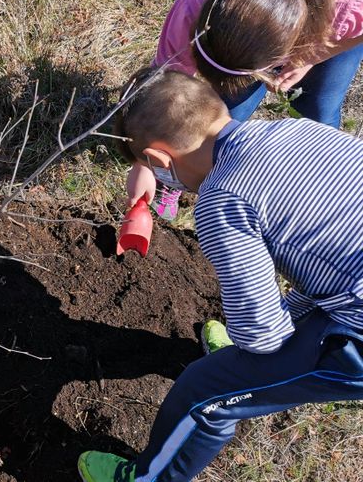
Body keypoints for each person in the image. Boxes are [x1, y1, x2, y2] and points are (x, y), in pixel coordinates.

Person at [78, 68, 363, 481]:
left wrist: (247, 348)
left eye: (153, 170)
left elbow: (264, 338)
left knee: (204, 391)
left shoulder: (222, 199)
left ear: (159, 161)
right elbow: (325, 258)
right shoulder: (300, 131)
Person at [128, 0, 363, 219]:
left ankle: (314, 199)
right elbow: (165, 83)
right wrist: (146, 161)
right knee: (228, 112)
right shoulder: (200, 2)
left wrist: (312, 56)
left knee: (320, 113)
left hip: (336, 34)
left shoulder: (353, 4)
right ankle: (180, 174)